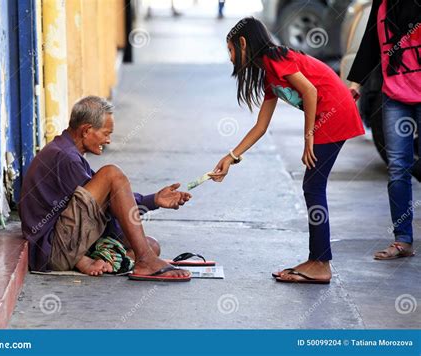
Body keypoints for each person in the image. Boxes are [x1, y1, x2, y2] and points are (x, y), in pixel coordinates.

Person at [209, 17, 365, 284]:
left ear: (243, 43)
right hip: (331, 114)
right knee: (313, 186)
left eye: (231, 50)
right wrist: (231, 157)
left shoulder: (276, 59)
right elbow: (261, 126)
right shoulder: (269, 73)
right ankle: (317, 259)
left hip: (334, 114)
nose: (231, 57)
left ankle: (320, 263)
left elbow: (310, 91)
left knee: (313, 186)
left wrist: (309, 138)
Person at [19, 96, 192, 282]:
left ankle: (108, 259)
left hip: (64, 243)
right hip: (53, 250)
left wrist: (153, 200)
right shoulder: (65, 157)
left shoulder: (67, 152)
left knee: (151, 245)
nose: (108, 140)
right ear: (86, 130)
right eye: (106, 133)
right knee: (112, 173)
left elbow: (107, 197)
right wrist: (128, 240)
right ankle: (144, 261)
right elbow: (108, 202)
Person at [348, 0, 420, 260]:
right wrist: (355, 84)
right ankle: (403, 240)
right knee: (398, 166)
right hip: (395, 95)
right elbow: (369, 44)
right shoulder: (382, 3)